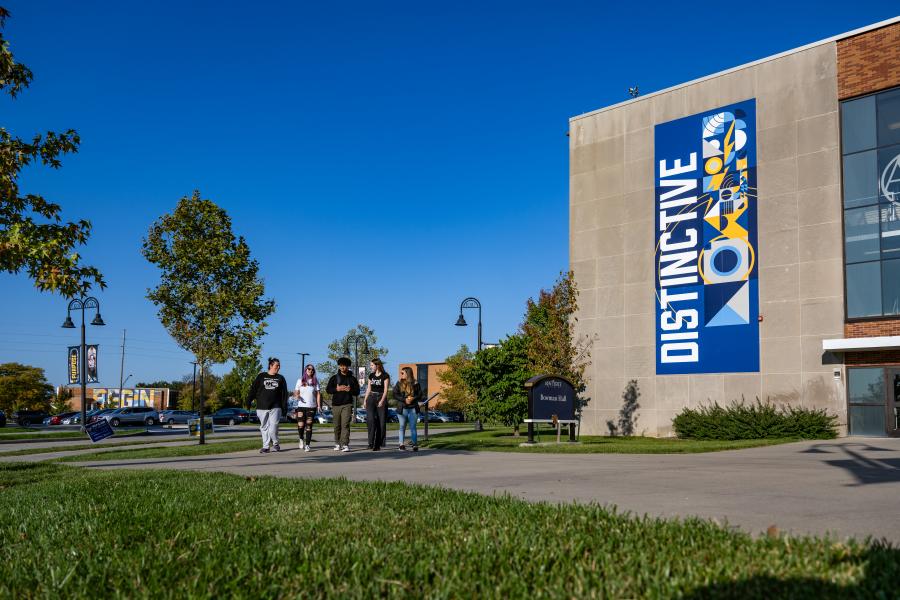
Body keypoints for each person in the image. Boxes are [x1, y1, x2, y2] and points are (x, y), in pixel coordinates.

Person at [246, 357, 289, 453]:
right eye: (277, 365)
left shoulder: (281, 378)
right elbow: (253, 389)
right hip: (262, 406)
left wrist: (284, 407)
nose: (278, 367)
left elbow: (284, 394)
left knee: (273, 427)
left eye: (279, 366)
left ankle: (275, 442)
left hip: (276, 406)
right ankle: (266, 447)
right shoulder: (261, 376)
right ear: (271, 365)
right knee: (264, 427)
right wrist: (249, 400)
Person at [325, 357, 359, 452]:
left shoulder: (352, 379)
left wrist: (350, 390)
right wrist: (337, 389)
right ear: (339, 366)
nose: (343, 367)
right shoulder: (334, 378)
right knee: (337, 425)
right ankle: (337, 443)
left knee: (345, 425)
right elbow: (328, 390)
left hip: (347, 404)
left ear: (348, 367)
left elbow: (357, 392)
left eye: (344, 366)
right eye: (341, 366)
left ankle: (345, 444)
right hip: (336, 405)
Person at [392, 366, 423, 451]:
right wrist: (404, 399)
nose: (401, 374)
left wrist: (413, 398)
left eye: (402, 373)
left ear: (408, 373)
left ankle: (414, 444)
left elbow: (420, 395)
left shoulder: (416, 383)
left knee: (413, 427)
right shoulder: (399, 383)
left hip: (413, 409)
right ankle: (401, 444)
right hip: (402, 408)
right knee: (402, 426)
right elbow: (394, 394)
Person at [293, 364, 321, 452]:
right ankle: (301, 438)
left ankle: (307, 445)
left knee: (309, 425)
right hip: (301, 406)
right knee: (301, 425)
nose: (310, 371)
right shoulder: (300, 381)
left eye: (312, 370)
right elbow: (296, 392)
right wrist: (297, 396)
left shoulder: (315, 381)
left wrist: (319, 405)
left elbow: (318, 394)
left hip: (311, 406)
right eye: (309, 369)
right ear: (305, 370)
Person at [364, 358, 390, 451]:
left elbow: (386, 390)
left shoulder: (385, 376)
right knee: (370, 420)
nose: (370, 367)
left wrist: (382, 401)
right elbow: (368, 388)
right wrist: (365, 400)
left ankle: (378, 443)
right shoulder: (371, 375)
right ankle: (370, 443)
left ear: (377, 365)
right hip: (371, 397)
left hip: (381, 397)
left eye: (372, 365)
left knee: (381, 422)